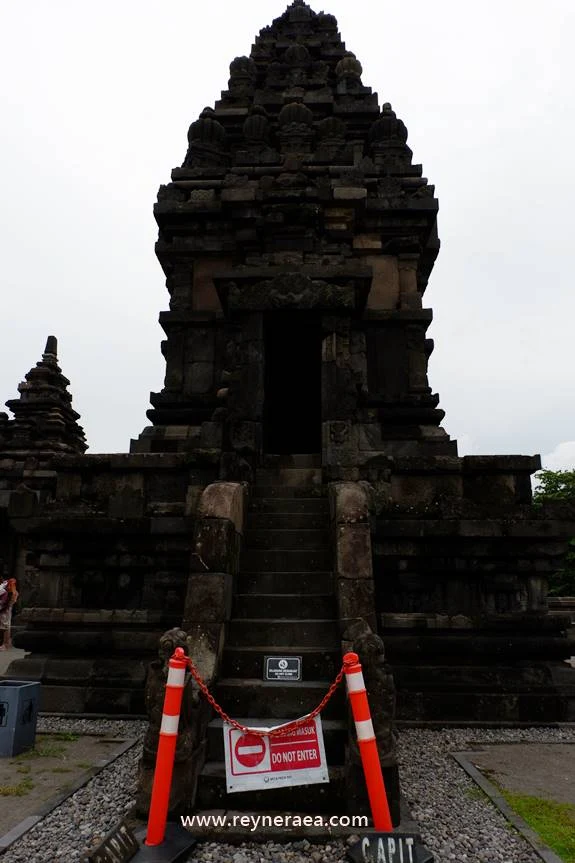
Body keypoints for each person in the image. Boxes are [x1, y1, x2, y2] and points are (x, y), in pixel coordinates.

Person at [0, 577, 18, 650]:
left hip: (5, 607)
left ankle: (6, 644)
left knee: (5, 625)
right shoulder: (3, 586)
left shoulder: (7, 585)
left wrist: (6, 605)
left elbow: (13, 596)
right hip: (4, 605)